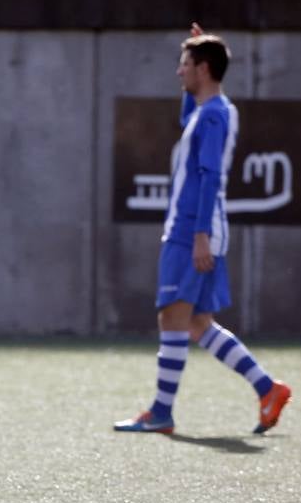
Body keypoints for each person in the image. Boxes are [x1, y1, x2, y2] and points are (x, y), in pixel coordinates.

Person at [114, 23, 291, 436]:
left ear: (204, 68)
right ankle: (268, 389)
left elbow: (210, 176)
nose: (179, 72)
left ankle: (161, 413)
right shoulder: (212, 110)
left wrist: (198, 236)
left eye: (185, 64)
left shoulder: (214, 114)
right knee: (196, 324)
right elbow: (185, 114)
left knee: (172, 318)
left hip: (193, 228)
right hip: (199, 226)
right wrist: (200, 45)